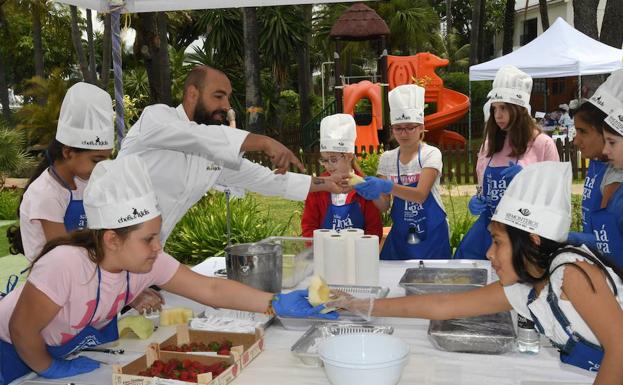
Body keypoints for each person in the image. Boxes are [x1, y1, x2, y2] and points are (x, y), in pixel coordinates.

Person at [0, 155, 336, 384]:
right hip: (10, 351)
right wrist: (50, 368)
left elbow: (211, 289)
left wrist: (274, 302)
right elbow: (21, 330)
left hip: (59, 348)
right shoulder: (65, 265)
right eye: (148, 239)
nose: (157, 247)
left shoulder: (144, 262)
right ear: (113, 240)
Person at [332, 161, 623, 382]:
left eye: (497, 242)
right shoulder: (526, 285)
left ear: (532, 241)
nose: (488, 253)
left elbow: (619, 350)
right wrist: (359, 305)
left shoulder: (570, 274)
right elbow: (442, 305)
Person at [117, 65, 348, 244]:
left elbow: (265, 180)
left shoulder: (215, 154)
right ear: (192, 94)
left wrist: (326, 183)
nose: (227, 106)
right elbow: (195, 137)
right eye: (218, 96)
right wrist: (263, 142)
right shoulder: (156, 119)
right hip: (112, 251)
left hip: (149, 258)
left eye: (227, 97)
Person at [4, 83, 164, 315]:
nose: (101, 168)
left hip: (90, 287)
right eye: (96, 160)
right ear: (68, 152)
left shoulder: (86, 184)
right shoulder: (45, 195)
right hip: (56, 296)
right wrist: (129, 294)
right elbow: (68, 258)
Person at [454, 65, 559, 260]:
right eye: (495, 109)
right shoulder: (489, 145)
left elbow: (555, 198)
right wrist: (477, 201)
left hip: (525, 233)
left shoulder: (543, 144)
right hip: (489, 230)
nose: (498, 115)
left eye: (503, 108)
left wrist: (529, 179)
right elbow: (482, 189)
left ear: (519, 109)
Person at [354, 84, 451, 260]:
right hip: (401, 234)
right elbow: (384, 206)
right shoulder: (387, 159)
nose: (404, 133)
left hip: (432, 234)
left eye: (410, 127)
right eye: (398, 128)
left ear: (421, 127)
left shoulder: (431, 154)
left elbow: (420, 195)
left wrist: (387, 185)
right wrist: (372, 193)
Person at [567, 70, 623, 266]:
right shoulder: (600, 163)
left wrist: (568, 238)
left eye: (582, 131)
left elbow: (607, 239)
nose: (575, 140)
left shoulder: (615, 178)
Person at [301, 114, 382, 238]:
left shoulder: (364, 188)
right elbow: (308, 227)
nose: (328, 166)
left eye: (333, 159)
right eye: (324, 160)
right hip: (325, 253)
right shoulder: (318, 188)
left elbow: (374, 230)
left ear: (349, 156)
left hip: (358, 254)